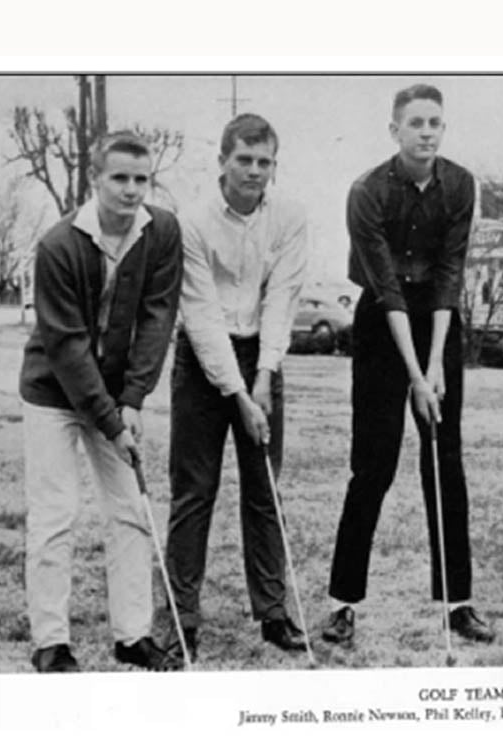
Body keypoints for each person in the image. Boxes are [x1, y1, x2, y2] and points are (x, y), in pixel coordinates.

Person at [321, 84, 494, 645]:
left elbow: (450, 273)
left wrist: (438, 363)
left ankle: (458, 603)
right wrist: (416, 377)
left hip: (436, 319)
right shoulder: (366, 191)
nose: (426, 131)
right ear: (394, 130)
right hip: (381, 320)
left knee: (445, 463)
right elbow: (387, 287)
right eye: (415, 122)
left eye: (435, 122)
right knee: (373, 464)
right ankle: (343, 603)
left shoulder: (462, 185)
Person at [20, 131, 184, 672]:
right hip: (54, 392)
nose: (132, 190)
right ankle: (51, 641)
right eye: (119, 178)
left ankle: (132, 635)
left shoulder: (161, 232)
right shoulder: (59, 244)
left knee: (131, 511)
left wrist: (134, 398)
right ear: (96, 180)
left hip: (116, 396)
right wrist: (114, 422)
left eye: (141, 179)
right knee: (55, 515)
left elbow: (158, 318)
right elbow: (66, 348)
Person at [164, 113, 309, 660]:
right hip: (202, 361)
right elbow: (200, 317)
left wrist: (265, 377)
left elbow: (281, 301)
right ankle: (183, 622)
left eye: (264, 162)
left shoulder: (290, 218)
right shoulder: (193, 221)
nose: (254, 171)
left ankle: (272, 614)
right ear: (222, 161)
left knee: (263, 491)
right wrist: (240, 395)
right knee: (194, 492)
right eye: (243, 160)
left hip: (261, 358)